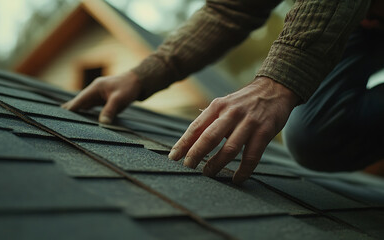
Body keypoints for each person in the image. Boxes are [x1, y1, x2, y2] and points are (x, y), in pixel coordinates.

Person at [62, 0, 383, 185]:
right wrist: (143, 74)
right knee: (317, 132)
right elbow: (230, 10)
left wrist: (278, 82)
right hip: (365, 18)